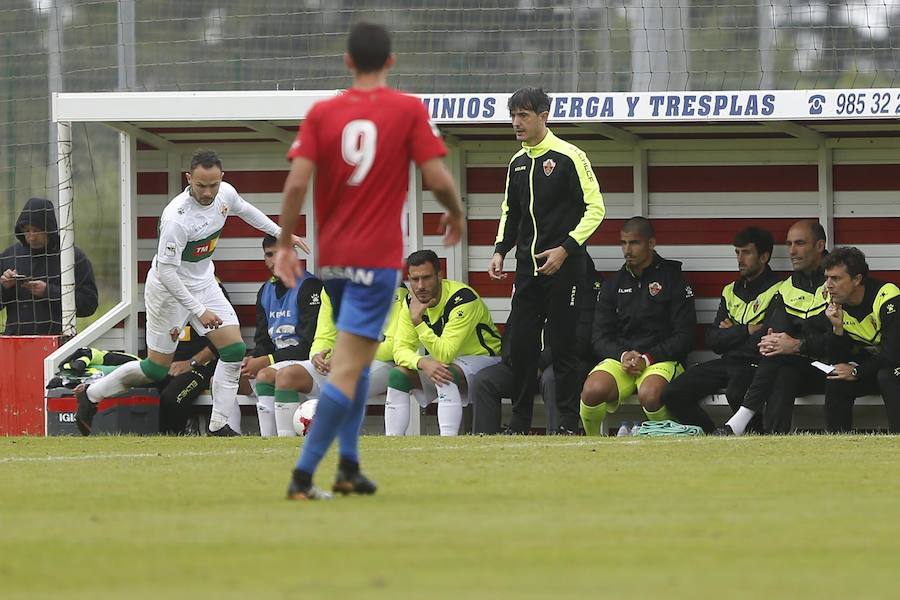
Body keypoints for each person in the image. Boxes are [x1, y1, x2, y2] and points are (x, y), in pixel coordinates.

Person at [273, 22, 465, 500]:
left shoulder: (322, 113)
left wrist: (282, 241)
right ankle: (303, 476)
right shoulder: (406, 110)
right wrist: (455, 211)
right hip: (376, 262)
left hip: (333, 262)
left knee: (354, 367)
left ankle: (349, 468)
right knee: (347, 370)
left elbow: (296, 183)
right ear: (391, 62)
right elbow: (437, 175)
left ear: (347, 61)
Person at [74, 149, 308, 436]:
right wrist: (199, 310)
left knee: (233, 350)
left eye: (213, 185)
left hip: (204, 282)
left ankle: (219, 423)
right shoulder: (176, 218)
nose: (208, 192)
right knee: (156, 369)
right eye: (201, 185)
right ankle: (91, 395)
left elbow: (246, 210)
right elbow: (167, 273)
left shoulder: (225, 193)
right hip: (168, 291)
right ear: (189, 179)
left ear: (222, 178)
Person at [488, 87, 605, 435]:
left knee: (565, 346)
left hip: (566, 268)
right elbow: (510, 212)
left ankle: (569, 423)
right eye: (513, 116)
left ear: (544, 115)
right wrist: (499, 250)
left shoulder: (571, 156)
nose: (516, 123)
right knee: (521, 346)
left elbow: (596, 209)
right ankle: (520, 423)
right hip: (528, 271)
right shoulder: (517, 162)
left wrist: (565, 248)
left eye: (523, 115)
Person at [580, 217, 696, 436]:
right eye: (623, 243)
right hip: (623, 360)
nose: (627, 250)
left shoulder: (674, 279)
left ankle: (669, 442)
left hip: (660, 360)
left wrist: (647, 358)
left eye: (634, 243)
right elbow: (599, 337)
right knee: (592, 390)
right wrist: (623, 355)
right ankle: (593, 444)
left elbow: (685, 336)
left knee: (650, 394)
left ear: (651, 243)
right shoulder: (613, 284)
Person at [661, 227, 782, 434]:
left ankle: (756, 439)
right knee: (673, 392)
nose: (740, 259)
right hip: (728, 360)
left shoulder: (780, 289)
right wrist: (745, 330)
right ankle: (712, 436)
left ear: (764, 256)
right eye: (737, 252)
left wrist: (732, 333)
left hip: (756, 364)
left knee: (737, 393)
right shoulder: (730, 290)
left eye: (746, 252)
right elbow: (713, 340)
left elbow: (764, 340)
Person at [253, 280, 406, 437]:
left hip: (380, 363)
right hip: (340, 363)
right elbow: (323, 336)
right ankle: (282, 447)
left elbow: (392, 346)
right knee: (286, 376)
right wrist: (317, 356)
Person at [471, 259, 602, 434]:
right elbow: (513, 328)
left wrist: (537, 363)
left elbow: (580, 340)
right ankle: (485, 447)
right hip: (526, 364)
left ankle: (559, 441)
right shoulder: (528, 278)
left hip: (561, 363)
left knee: (553, 379)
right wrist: (512, 358)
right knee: (485, 381)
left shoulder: (581, 280)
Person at [724, 219, 831, 435]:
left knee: (780, 363)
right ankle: (774, 438)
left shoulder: (837, 277)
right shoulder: (789, 285)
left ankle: (739, 422)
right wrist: (771, 343)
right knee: (780, 366)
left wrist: (797, 344)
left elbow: (838, 336)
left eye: (799, 243)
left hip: (834, 366)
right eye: (789, 244)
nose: (792, 251)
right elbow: (776, 329)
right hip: (800, 365)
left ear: (819, 246)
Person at [386, 250, 501, 436]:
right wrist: (422, 362)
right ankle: (391, 442)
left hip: (485, 358)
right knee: (398, 375)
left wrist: (418, 322)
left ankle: (447, 442)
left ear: (440, 275)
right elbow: (399, 350)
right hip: (449, 361)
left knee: (443, 371)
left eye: (426, 278)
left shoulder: (463, 298)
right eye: (414, 280)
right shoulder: (411, 302)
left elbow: (445, 354)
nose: (420, 286)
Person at [240, 235, 324, 436]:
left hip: (307, 364)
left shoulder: (310, 287)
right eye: (269, 255)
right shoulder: (265, 291)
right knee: (229, 377)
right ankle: (228, 434)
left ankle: (270, 439)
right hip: (278, 363)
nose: (273, 260)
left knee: (265, 374)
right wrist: (251, 359)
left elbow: (308, 345)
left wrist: (265, 361)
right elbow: (263, 341)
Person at [821, 247, 900, 433]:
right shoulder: (834, 304)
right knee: (837, 377)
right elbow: (836, 359)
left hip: (894, 364)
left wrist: (857, 371)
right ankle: (837, 447)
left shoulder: (887, 297)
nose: (829, 285)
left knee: (887, 376)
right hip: (877, 366)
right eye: (827, 278)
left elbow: (892, 353)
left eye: (836, 278)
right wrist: (837, 328)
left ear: (857, 279)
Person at [0, 197, 98, 335]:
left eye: (36, 230)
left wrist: (48, 292)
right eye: (27, 230)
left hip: (58, 346)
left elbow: (89, 305)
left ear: (49, 229)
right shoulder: (9, 256)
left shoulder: (71, 257)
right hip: (15, 345)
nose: (31, 237)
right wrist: (4, 287)